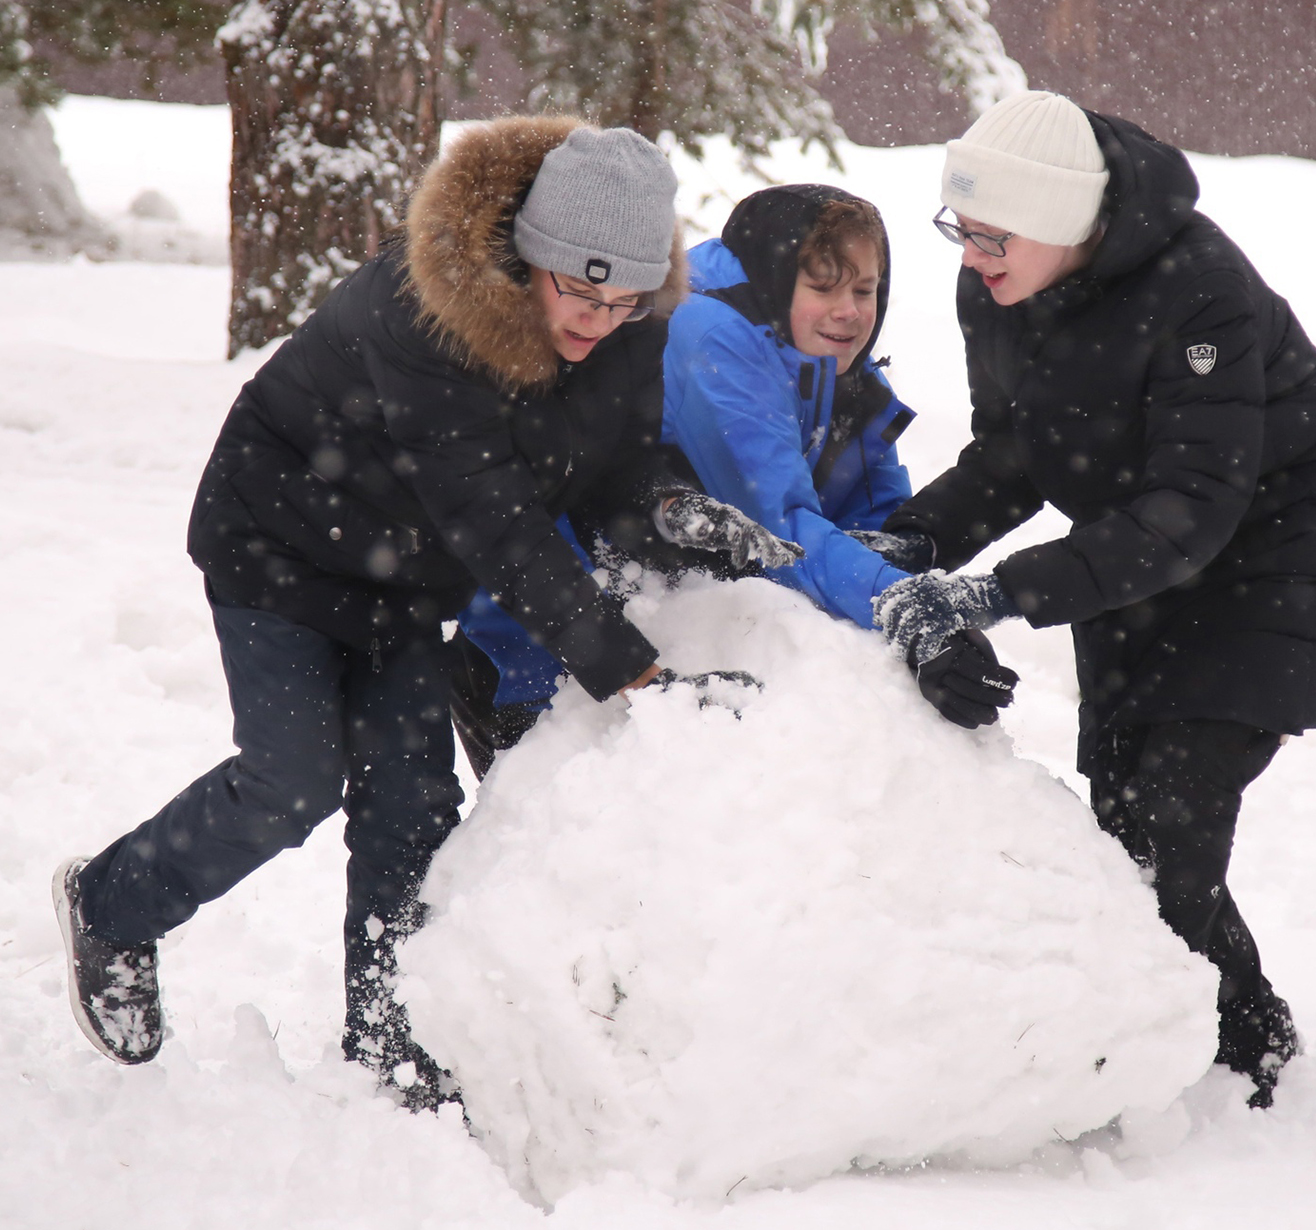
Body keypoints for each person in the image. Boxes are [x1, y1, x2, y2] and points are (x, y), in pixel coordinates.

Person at [52, 117, 793, 1107]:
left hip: (398, 570)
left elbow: (611, 467)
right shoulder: (428, 313)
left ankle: (388, 1032)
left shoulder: (623, 332)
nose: (595, 320)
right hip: (278, 540)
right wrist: (632, 669)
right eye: (578, 289)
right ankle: (112, 904)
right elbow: (494, 518)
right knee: (293, 780)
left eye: (622, 300)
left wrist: (672, 510)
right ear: (533, 254)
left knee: (411, 798)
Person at [874, 91, 1316, 1108]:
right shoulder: (1000, 285)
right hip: (1130, 554)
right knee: (1121, 820)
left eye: (991, 234)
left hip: (1274, 551)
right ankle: (1198, 1039)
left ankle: (1250, 1069)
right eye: (958, 229)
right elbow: (1020, 452)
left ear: (1061, 224)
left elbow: (1195, 507)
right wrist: (901, 547)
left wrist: (993, 593)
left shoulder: (1199, 288)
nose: (969, 255)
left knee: (1173, 817)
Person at [455, 183, 1016, 744]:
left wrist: (907, 581)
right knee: (542, 823)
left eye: (865, 290)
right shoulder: (711, 338)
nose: (848, 313)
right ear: (775, 280)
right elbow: (778, 528)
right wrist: (901, 610)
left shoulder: (833, 360)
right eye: (822, 287)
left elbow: (873, 513)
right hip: (544, 649)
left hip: (652, 636)